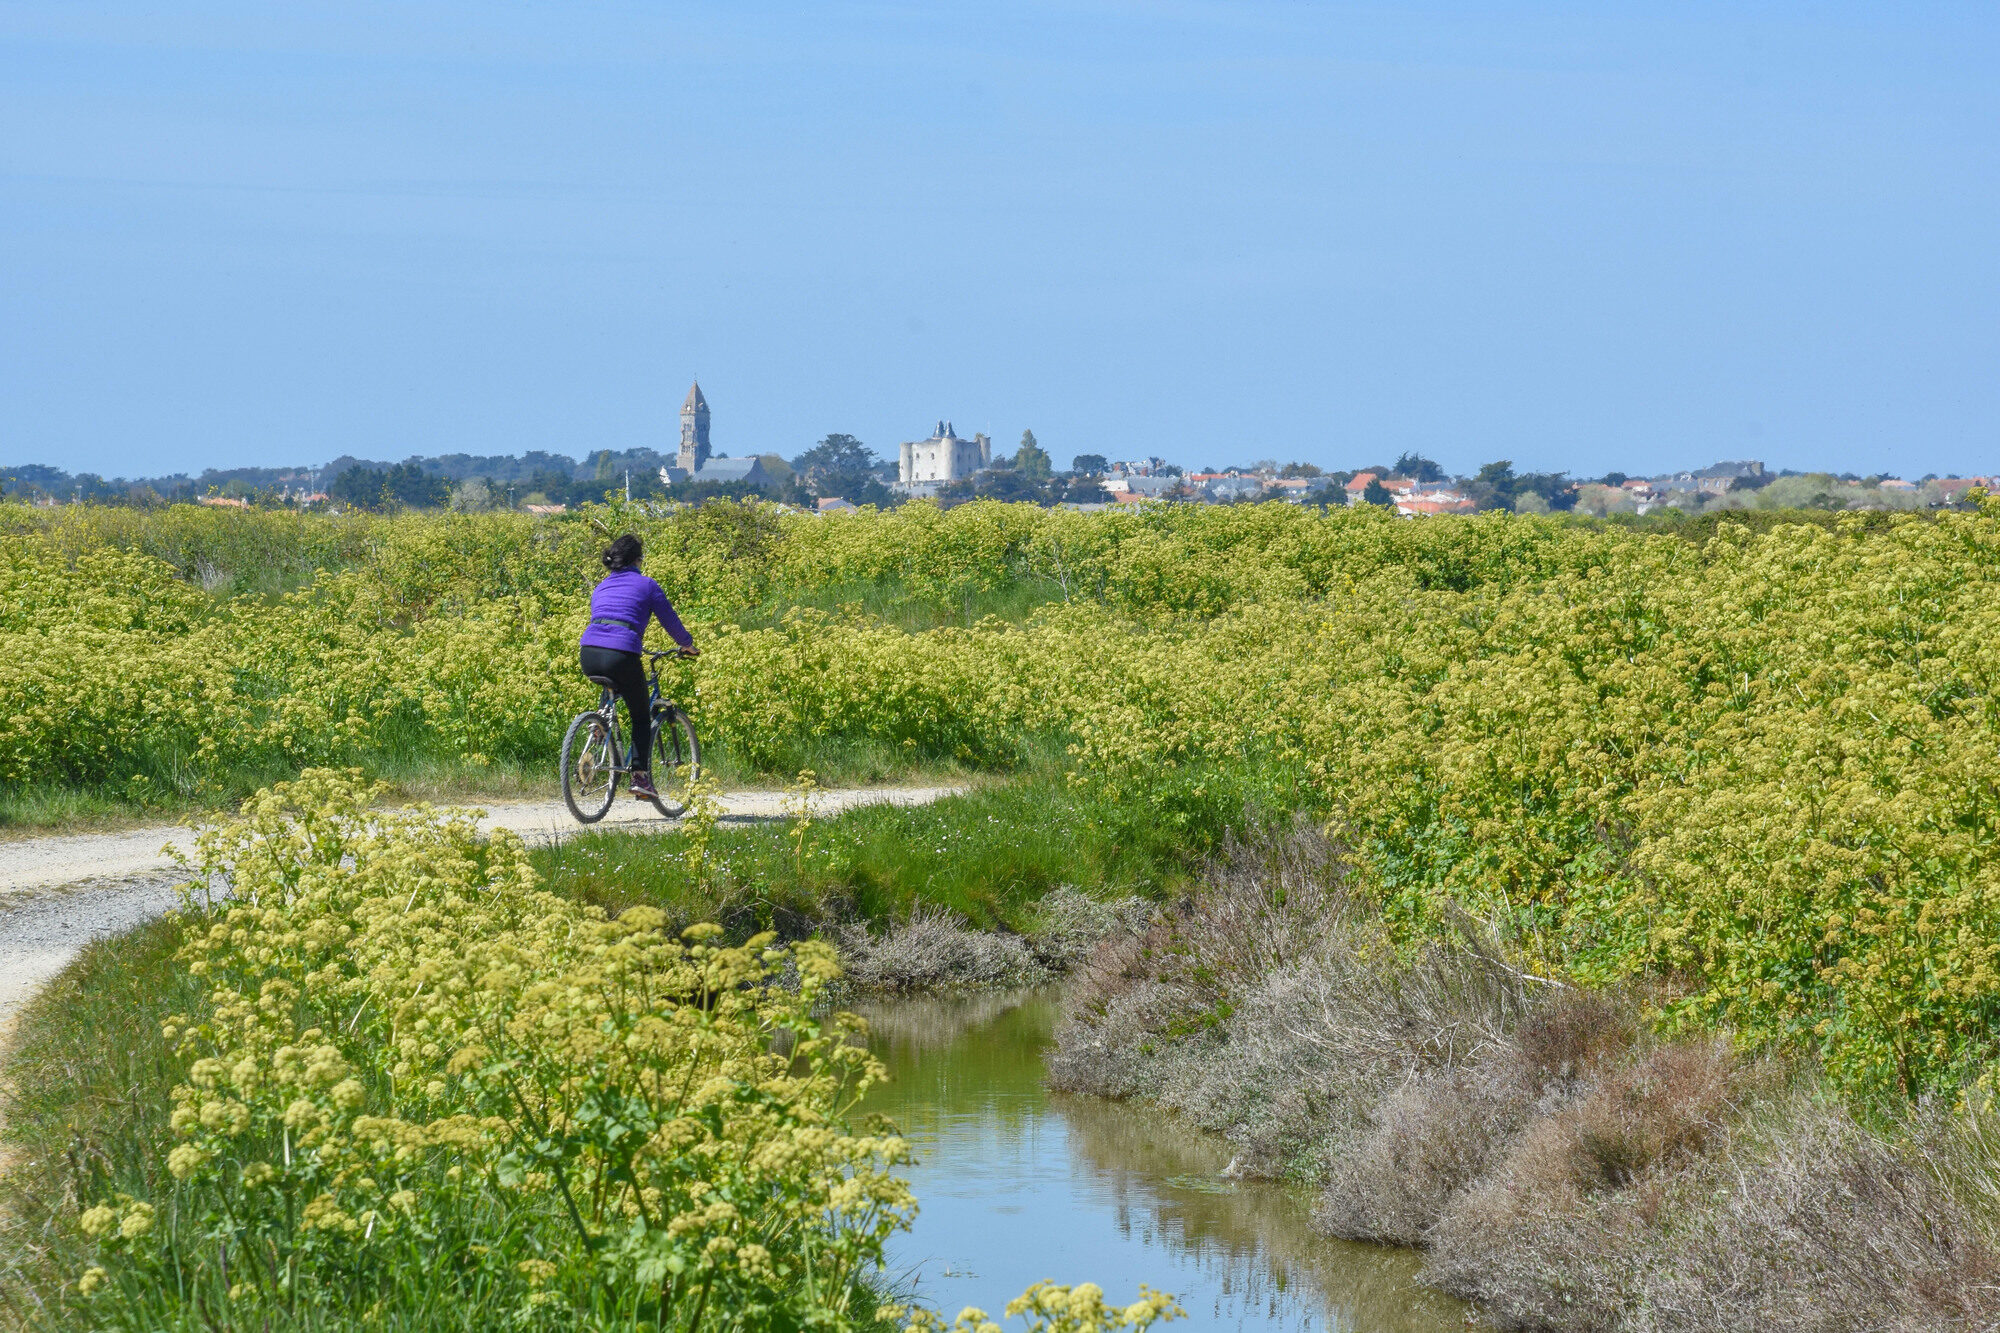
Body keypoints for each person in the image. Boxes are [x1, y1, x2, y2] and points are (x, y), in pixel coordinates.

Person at [579, 534, 698, 800]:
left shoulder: (601, 587)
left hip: (588, 653)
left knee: (614, 681)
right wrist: (687, 644)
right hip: (621, 653)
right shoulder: (647, 585)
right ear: (638, 560)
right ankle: (640, 777)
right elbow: (670, 620)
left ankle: (601, 721)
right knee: (641, 716)